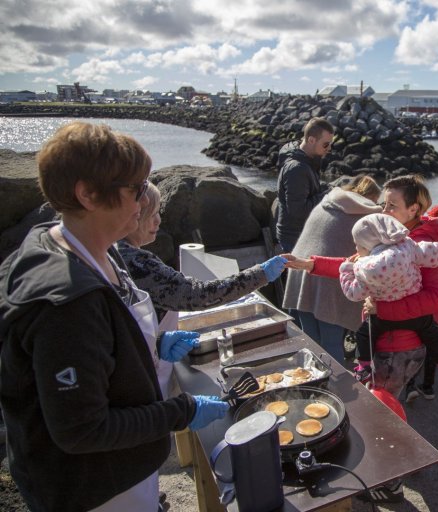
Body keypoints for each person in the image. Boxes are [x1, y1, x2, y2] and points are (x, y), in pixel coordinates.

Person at [0, 122, 228, 512]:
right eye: (136, 189)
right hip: (93, 487)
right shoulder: (65, 302)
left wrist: (153, 346)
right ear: (88, 194)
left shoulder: (83, 245)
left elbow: (97, 349)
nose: (143, 200)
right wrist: (183, 411)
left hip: (125, 468)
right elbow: (83, 429)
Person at [287, 175, 438, 503]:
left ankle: (392, 480)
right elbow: (356, 265)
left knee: (382, 410)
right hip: (385, 340)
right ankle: (407, 455)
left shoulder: (417, 244)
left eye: (392, 205)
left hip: (401, 346)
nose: (383, 211)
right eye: (383, 204)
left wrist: (382, 309)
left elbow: (437, 301)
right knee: (387, 405)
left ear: (414, 209)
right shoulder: (390, 238)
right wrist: (310, 265)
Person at [118, 182, 288, 397]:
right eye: (150, 215)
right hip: (146, 380)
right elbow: (199, 294)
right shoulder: (137, 263)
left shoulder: (115, 252)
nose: (158, 221)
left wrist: (158, 343)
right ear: (132, 214)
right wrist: (260, 273)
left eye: (158, 213)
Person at [340, 213, 438, 383]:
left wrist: (346, 269)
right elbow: (433, 254)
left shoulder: (365, 270)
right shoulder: (408, 247)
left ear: (370, 245)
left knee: (364, 334)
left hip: (381, 318)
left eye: (358, 245)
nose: (356, 249)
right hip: (415, 317)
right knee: (433, 335)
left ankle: (364, 367)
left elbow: (353, 293)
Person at [282, 175, 382, 362]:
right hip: (326, 279)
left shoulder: (328, 201)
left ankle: (311, 375)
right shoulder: (368, 214)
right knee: (331, 342)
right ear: (372, 198)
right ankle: (335, 380)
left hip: (300, 268)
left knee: (310, 338)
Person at [276, 117, 335, 251]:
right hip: (295, 239)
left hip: (301, 234)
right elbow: (298, 211)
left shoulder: (306, 157)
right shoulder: (297, 169)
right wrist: (328, 196)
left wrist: (326, 188)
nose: (329, 148)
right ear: (311, 140)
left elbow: (309, 188)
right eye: (326, 144)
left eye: (331, 144)